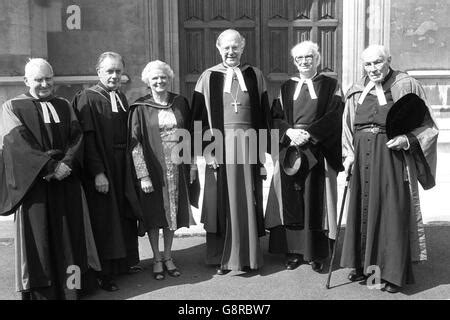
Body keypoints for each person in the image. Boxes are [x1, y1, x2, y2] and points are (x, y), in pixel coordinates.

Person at [340, 45, 438, 293]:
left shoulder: (406, 85)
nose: (372, 68)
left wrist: (407, 139)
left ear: (389, 61)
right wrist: (349, 153)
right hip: (362, 158)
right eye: (367, 64)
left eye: (377, 62)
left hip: (391, 158)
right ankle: (364, 268)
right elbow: (348, 127)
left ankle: (392, 275)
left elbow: (427, 125)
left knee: (391, 211)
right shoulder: (356, 90)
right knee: (363, 209)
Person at [0, 58, 101, 300]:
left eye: (48, 78)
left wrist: (66, 164)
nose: (45, 84)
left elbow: (77, 137)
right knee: (39, 242)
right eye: (38, 79)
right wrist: (50, 166)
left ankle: (72, 289)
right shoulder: (11, 107)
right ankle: (44, 295)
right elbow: (16, 145)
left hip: (66, 181)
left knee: (70, 240)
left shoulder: (65, 105)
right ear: (26, 81)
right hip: (35, 185)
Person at [191, 29, 271, 274]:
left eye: (235, 46)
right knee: (221, 203)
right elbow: (198, 118)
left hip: (248, 147)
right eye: (226, 47)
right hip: (221, 147)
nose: (231, 51)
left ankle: (248, 257)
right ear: (218, 48)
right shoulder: (208, 77)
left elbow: (264, 115)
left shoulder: (255, 75)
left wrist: (263, 153)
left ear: (243, 46)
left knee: (247, 200)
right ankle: (221, 258)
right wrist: (207, 151)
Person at [265, 41, 344, 272]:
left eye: (308, 57)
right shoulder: (286, 87)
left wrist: (309, 134)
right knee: (292, 199)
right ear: (294, 61)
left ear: (317, 58)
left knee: (314, 200)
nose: (304, 62)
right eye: (299, 58)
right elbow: (275, 117)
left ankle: (316, 253)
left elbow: (335, 115)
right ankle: (293, 252)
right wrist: (288, 131)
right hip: (291, 147)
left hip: (318, 149)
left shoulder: (331, 85)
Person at [72, 52, 141, 291]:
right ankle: (103, 273)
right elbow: (87, 139)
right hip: (102, 167)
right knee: (103, 220)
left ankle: (122, 264)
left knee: (121, 214)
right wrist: (98, 172)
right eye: (109, 71)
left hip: (121, 165)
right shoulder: (87, 98)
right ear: (98, 72)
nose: (114, 76)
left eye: (118, 71)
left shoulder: (120, 96)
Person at [129, 60, 199, 280]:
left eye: (164, 77)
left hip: (176, 167)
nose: (160, 81)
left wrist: (193, 164)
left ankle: (168, 256)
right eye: (155, 78)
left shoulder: (180, 102)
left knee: (172, 214)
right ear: (148, 82)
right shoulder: (140, 107)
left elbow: (189, 135)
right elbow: (135, 143)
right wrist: (143, 174)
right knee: (153, 214)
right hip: (153, 168)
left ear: (169, 79)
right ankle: (156, 258)